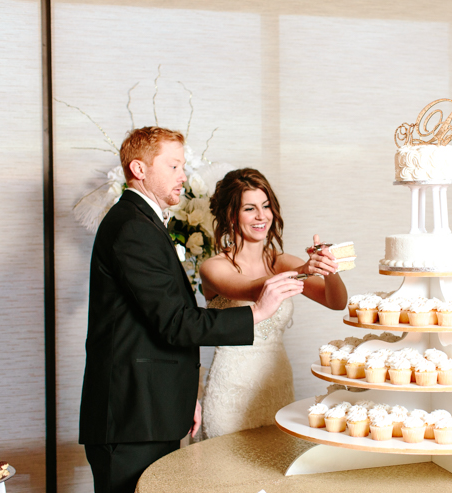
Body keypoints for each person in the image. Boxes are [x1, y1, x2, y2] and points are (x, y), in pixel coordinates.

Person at [78, 127, 303, 493]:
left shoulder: (143, 222)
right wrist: (257, 311)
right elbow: (176, 323)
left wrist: (184, 397)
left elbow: (154, 327)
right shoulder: (131, 227)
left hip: (150, 412)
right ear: (139, 168)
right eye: (174, 166)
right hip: (132, 416)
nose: (183, 176)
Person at [199, 168, 348, 438]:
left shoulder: (280, 261)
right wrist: (303, 269)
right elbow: (252, 290)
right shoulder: (213, 267)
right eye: (250, 208)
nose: (261, 216)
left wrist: (328, 267)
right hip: (230, 392)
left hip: (277, 385)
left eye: (266, 206)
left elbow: (336, 302)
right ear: (231, 215)